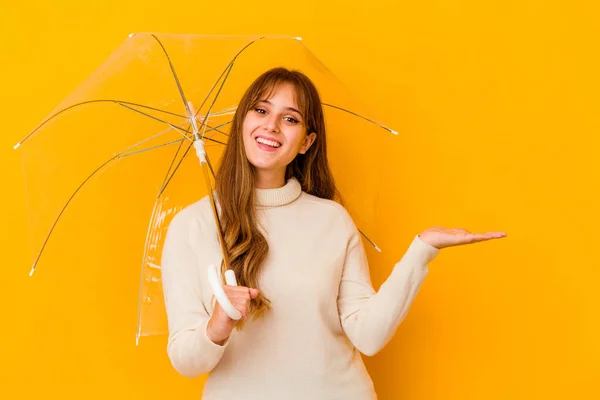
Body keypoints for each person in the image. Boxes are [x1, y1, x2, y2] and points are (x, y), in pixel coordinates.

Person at [161, 67, 506, 399]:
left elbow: (368, 336)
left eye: (290, 118)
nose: (272, 126)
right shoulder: (193, 225)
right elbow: (185, 360)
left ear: (307, 142)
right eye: (261, 110)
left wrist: (422, 249)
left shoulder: (332, 220)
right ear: (242, 122)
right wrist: (218, 324)